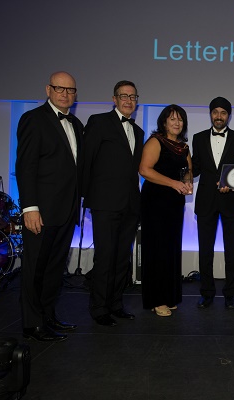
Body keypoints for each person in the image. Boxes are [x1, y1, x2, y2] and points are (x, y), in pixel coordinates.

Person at [16, 71, 83, 342]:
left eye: (71, 90)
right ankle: (32, 324)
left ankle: (48, 316)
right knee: (35, 270)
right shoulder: (33, 119)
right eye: (60, 89)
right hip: (41, 212)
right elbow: (25, 166)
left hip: (66, 211)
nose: (65, 94)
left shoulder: (76, 124)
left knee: (55, 269)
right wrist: (29, 207)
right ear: (48, 89)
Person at [83, 80, 144, 326]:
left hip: (130, 205)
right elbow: (87, 161)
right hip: (105, 203)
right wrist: (87, 197)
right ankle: (99, 308)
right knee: (105, 257)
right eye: (124, 96)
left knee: (122, 259)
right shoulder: (99, 122)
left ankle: (116, 304)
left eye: (133, 96)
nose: (129, 100)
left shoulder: (138, 132)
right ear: (114, 99)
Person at [192, 97, 234, 310]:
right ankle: (206, 293)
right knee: (205, 250)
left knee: (232, 250)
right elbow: (195, 167)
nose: (219, 116)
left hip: (231, 201)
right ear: (210, 114)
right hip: (205, 201)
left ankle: (231, 294)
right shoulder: (197, 138)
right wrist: (182, 173)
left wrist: (232, 184)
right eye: (215, 112)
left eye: (223, 112)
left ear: (229, 115)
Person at [139, 104, 193, 317]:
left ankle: (169, 296)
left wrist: (188, 183)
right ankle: (156, 299)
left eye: (180, 119)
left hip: (174, 203)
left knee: (171, 249)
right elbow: (144, 170)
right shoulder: (155, 141)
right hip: (155, 202)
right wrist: (173, 183)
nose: (177, 123)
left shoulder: (183, 146)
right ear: (163, 122)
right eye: (172, 119)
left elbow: (188, 170)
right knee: (157, 250)